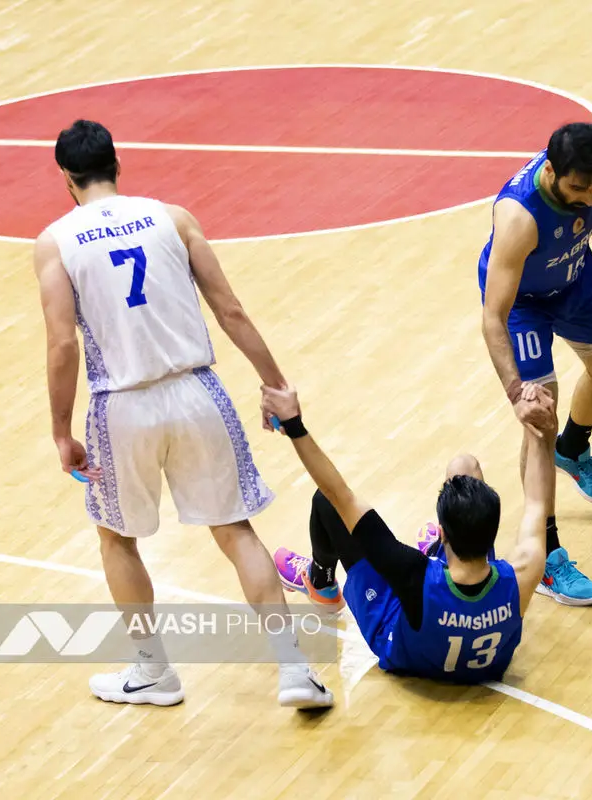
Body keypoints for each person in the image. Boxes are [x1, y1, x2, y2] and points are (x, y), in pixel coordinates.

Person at [34, 119, 333, 709]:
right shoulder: (173, 217)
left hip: (120, 407)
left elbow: (63, 345)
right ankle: (295, 671)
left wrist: (60, 430)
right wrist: (275, 385)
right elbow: (231, 310)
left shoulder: (56, 241)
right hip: (198, 393)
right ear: (118, 164)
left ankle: (152, 672)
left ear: (66, 177)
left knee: (117, 539)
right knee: (236, 531)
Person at [265, 381, 555, 683]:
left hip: (404, 648)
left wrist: (294, 426)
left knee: (326, 502)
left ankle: (320, 581)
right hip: (483, 660)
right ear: (492, 532)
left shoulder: (412, 575)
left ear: (443, 534)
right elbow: (537, 502)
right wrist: (541, 428)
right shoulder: (520, 575)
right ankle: (436, 554)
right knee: (464, 466)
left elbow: (339, 494)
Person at [477, 122, 592, 606]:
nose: (588, 196)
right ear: (550, 172)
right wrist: (516, 393)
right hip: (524, 302)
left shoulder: (587, 178)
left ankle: (575, 447)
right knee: (540, 420)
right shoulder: (518, 218)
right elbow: (492, 318)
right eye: (577, 188)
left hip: (574, 275)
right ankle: (546, 555)